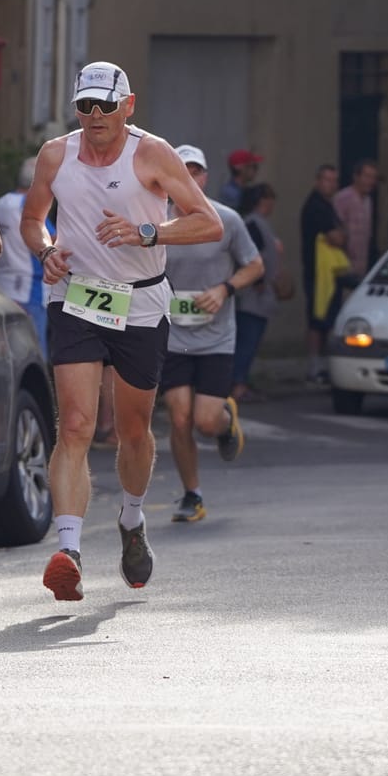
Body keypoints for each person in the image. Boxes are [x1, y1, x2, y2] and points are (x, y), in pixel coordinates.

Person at [20, 61, 223, 600]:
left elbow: (207, 221)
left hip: (140, 303)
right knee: (78, 426)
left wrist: (147, 231)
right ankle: (68, 551)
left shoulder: (152, 154)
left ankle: (132, 520)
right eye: (84, 106)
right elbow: (31, 217)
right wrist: (45, 250)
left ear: (127, 105)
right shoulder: (56, 155)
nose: (94, 117)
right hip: (77, 298)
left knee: (133, 432)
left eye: (105, 106)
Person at [161, 146, 264, 523]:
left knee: (205, 421)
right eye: (181, 170)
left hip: (216, 335)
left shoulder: (227, 220)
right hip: (172, 335)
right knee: (179, 416)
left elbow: (255, 265)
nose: (189, 178)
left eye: (196, 171)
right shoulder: (154, 222)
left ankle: (225, 420)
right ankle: (193, 494)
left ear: (205, 177)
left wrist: (224, 290)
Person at [232, 182, 288, 401]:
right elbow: (252, 256)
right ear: (262, 201)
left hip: (259, 295)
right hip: (253, 295)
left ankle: (241, 381)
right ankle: (238, 384)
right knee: (248, 340)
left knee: (250, 340)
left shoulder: (259, 223)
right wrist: (260, 280)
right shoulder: (252, 224)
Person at [0, 156, 46, 347]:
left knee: (9, 347)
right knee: (34, 348)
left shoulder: (3, 203)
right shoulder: (30, 204)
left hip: (4, 283)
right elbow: (51, 240)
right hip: (29, 287)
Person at [299, 164, 346, 383]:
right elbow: (336, 237)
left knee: (326, 319)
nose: (331, 184)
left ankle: (322, 365)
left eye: (334, 180)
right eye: (327, 180)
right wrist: (340, 235)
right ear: (318, 181)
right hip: (318, 272)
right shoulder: (316, 206)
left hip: (327, 272)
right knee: (317, 319)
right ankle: (315, 366)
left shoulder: (328, 205)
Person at [332, 159, 381, 278]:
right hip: (344, 263)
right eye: (367, 176)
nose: (371, 181)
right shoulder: (343, 198)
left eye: (373, 178)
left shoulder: (368, 200)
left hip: (361, 264)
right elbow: (336, 228)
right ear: (356, 177)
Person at [220, 148, 263, 212]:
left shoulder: (243, 191)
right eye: (254, 166)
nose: (256, 170)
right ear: (239, 167)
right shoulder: (231, 193)